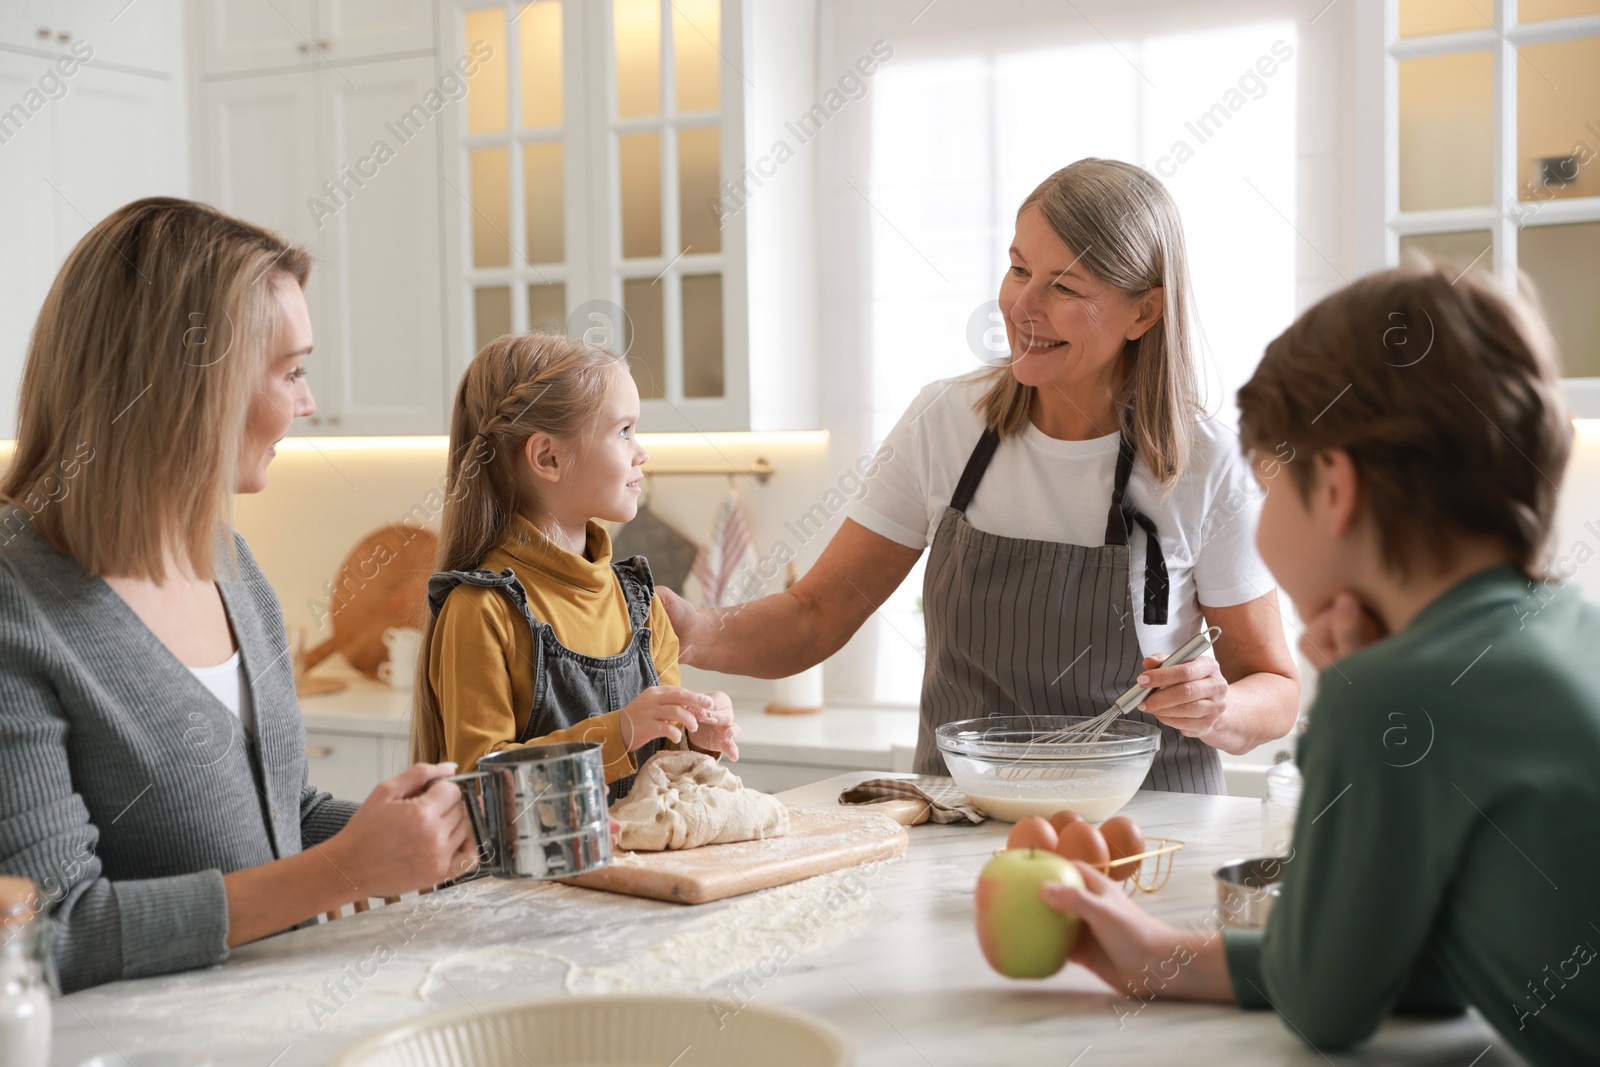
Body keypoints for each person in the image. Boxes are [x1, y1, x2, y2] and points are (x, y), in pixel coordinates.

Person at [1040, 263, 1600, 1064]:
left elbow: (1327, 1003)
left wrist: (1351, 699)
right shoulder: (1571, 631)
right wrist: (1158, 955)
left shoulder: (1394, 695)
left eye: (1269, 486)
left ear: (1334, 488)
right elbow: (1425, 964)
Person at [663, 158, 1299, 792]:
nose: (1022, 306)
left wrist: (1221, 707)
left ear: (1143, 313)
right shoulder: (947, 423)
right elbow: (816, 614)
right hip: (961, 832)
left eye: (1065, 287)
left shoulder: (1207, 465)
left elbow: (1275, 689)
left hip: (1147, 839)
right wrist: (693, 630)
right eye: (1019, 268)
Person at [0, 198, 474, 992]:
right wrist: (343, 872)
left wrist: (439, 829)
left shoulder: (228, 562)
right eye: (290, 370)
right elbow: (49, 934)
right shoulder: (19, 600)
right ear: (188, 384)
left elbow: (279, 812)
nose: (308, 400)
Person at [410, 333, 740, 799]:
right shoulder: (482, 611)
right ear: (549, 457)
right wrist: (619, 731)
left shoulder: (642, 605)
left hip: (633, 873)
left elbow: (662, 780)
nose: (641, 451)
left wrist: (696, 741)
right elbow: (482, 786)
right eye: (623, 431)